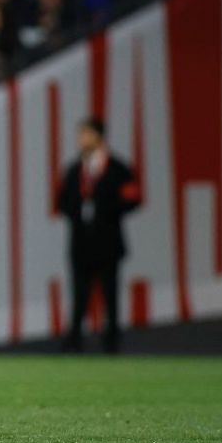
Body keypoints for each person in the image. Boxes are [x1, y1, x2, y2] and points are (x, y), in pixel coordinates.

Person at [56, 117, 142, 353]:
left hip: (108, 241)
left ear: (97, 136)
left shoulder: (117, 168)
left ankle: (111, 341)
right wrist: (79, 211)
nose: (80, 139)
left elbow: (132, 199)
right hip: (81, 242)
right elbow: (62, 202)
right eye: (79, 134)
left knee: (110, 293)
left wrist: (105, 210)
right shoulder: (74, 170)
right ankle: (74, 340)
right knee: (79, 293)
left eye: (85, 134)